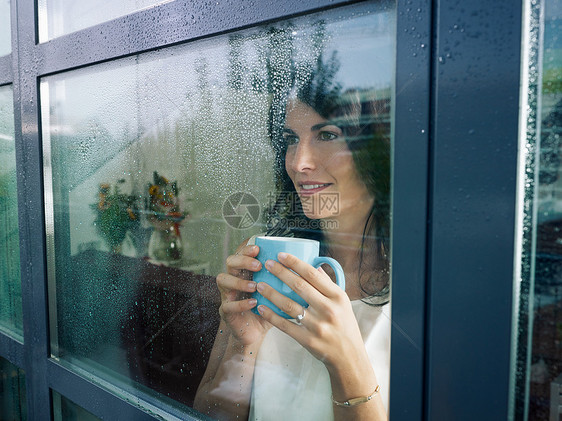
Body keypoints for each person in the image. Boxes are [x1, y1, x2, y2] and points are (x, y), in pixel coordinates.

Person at [194, 68, 391, 420]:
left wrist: (345, 361)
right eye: (290, 140)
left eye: (327, 135)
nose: (299, 163)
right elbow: (213, 414)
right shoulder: (259, 256)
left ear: (376, 152)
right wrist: (243, 344)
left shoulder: (424, 292)